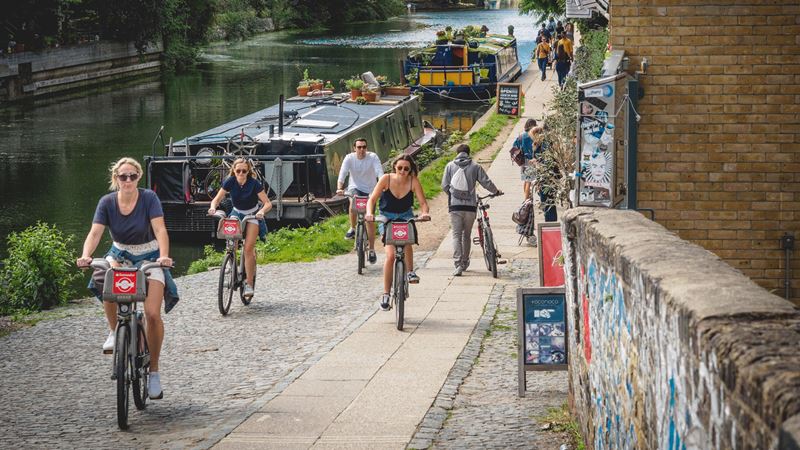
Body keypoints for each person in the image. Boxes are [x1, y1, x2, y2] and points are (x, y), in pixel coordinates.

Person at [77, 157, 177, 400]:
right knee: (107, 278)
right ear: (116, 179)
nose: (128, 180)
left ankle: (153, 372)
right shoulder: (107, 202)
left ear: (139, 177)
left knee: (152, 314)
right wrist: (85, 255)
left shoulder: (149, 199)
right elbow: (95, 232)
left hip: (149, 255)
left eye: (133, 176)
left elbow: (160, 229)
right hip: (120, 254)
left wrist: (163, 256)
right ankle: (114, 331)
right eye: (123, 177)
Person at [365, 155, 430, 311]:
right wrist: (369, 213)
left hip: (405, 216)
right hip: (387, 217)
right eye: (400, 167)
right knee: (390, 255)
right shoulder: (386, 179)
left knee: (407, 240)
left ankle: (410, 272)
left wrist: (425, 213)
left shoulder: (413, 181)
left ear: (410, 170)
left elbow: (423, 203)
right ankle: (386, 293)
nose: (402, 171)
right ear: (394, 167)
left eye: (406, 168)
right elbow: (372, 199)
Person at [208, 158, 272, 298]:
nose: (241, 173)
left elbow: (267, 203)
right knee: (231, 242)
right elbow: (217, 199)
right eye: (238, 171)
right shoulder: (230, 181)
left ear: (248, 171)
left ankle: (249, 283)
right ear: (234, 171)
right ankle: (230, 264)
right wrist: (213, 208)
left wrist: (261, 212)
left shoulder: (254, 184)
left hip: (252, 214)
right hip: (237, 213)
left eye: (244, 170)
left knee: (248, 249)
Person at [441, 144, 503, 276]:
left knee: (456, 235)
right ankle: (465, 261)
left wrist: (453, 195)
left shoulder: (449, 166)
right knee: (466, 235)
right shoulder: (475, 166)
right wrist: (496, 191)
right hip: (470, 207)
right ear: (468, 153)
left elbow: (444, 185)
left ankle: (458, 265)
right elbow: (486, 182)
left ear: (457, 153)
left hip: (455, 207)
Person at [336, 138, 383, 264]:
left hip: (371, 190)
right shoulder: (349, 158)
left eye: (364, 147)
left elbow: (380, 173)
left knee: (369, 218)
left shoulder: (373, 157)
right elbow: (342, 174)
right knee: (353, 202)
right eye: (359, 147)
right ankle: (352, 228)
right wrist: (340, 188)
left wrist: (382, 186)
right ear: (354, 148)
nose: (362, 149)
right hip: (355, 187)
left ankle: (372, 249)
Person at [513, 119, 538, 199]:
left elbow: (514, 146)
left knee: (526, 180)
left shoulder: (521, 136)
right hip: (532, 160)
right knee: (529, 182)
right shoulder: (534, 136)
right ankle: (526, 200)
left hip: (523, 160)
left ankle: (526, 198)